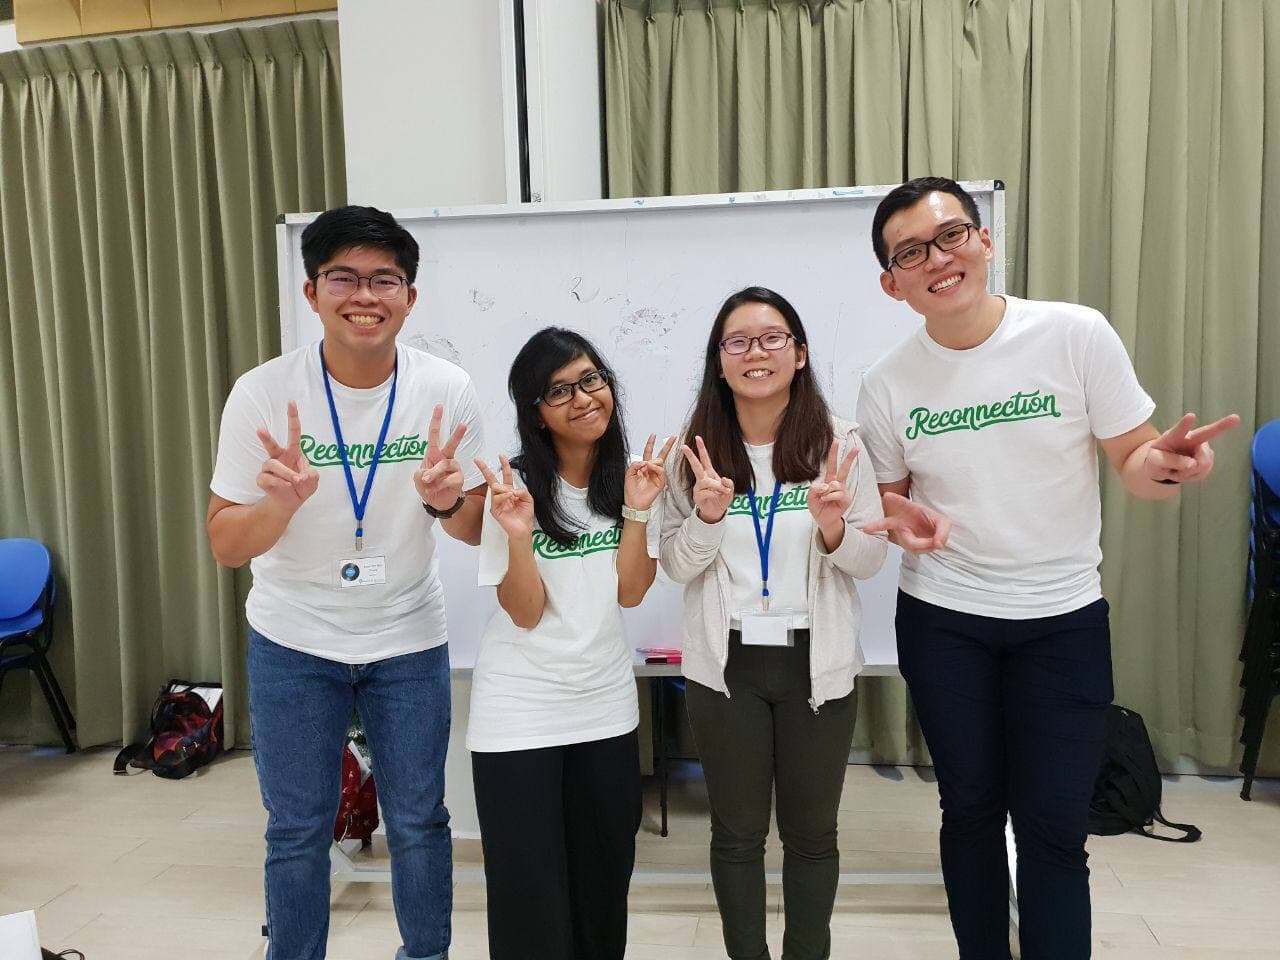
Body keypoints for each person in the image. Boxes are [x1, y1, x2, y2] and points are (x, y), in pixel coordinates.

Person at [857, 176, 1240, 960]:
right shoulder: (886, 384)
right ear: (892, 284)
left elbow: (1133, 458)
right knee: (968, 810)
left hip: (1061, 621)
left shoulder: (1074, 335)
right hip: (945, 622)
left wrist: (1163, 464)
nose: (939, 258)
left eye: (952, 235)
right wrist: (907, 527)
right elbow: (893, 505)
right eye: (911, 252)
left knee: (1054, 827)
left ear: (985, 240)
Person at [207, 205, 487, 960]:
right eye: (344, 277)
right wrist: (280, 504)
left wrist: (445, 500)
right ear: (312, 293)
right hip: (294, 637)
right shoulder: (262, 394)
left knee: (421, 818)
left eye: (384, 280)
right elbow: (226, 544)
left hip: (406, 634)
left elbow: (474, 528)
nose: (365, 295)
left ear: (410, 297)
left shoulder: (448, 388)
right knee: (297, 829)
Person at [658, 286, 888, 960]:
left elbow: (870, 560)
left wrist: (833, 527)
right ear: (719, 362)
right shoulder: (692, 453)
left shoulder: (838, 444)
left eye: (772, 338)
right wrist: (704, 516)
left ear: (799, 353)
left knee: (813, 834)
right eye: (739, 341)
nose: (756, 352)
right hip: (724, 669)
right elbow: (674, 564)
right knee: (736, 835)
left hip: (815, 664)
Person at [467, 327, 672, 960]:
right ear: (536, 411)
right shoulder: (514, 488)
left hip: (605, 708)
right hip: (519, 712)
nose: (583, 398)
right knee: (530, 898)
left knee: (603, 887)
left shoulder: (633, 480)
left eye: (591, 379)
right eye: (559, 390)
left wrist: (638, 510)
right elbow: (524, 612)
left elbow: (632, 592)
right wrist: (519, 533)